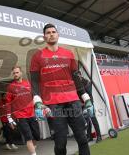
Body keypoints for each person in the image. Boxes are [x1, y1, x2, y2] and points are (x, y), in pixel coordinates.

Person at [30, 23, 91, 155]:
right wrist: (38, 101)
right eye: (48, 33)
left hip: (73, 100)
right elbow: (34, 81)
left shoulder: (68, 54)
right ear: (44, 37)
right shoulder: (37, 56)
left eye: (53, 32)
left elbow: (76, 78)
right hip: (53, 104)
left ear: (58, 35)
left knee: (82, 138)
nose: (51, 34)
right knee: (60, 143)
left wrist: (85, 97)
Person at [5, 66, 40, 155]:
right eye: (14, 73)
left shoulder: (28, 84)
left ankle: (33, 149)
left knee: (36, 136)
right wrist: (9, 118)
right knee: (28, 137)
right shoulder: (11, 87)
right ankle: (33, 153)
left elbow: (35, 97)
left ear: (21, 73)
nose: (15, 75)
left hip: (32, 114)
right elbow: (8, 103)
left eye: (17, 72)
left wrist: (39, 109)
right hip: (20, 116)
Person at [77, 71, 102, 143]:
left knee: (93, 119)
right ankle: (89, 136)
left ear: (80, 75)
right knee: (87, 120)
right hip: (82, 104)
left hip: (89, 103)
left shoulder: (86, 82)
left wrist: (87, 103)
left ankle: (99, 136)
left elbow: (90, 94)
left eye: (78, 76)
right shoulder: (77, 84)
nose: (77, 77)